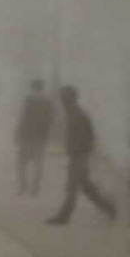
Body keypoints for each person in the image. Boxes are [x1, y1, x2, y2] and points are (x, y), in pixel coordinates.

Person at [46, 85, 116, 225]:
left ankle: (64, 216)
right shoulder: (74, 113)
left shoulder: (78, 115)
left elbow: (85, 137)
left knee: (72, 187)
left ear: (69, 99)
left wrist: (76, 151)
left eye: (63, 98)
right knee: (86, 186)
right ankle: (109, 208)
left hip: (79, 156)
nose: (62, 101)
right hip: (78, 155)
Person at [14, 78, 52, 196]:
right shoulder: (48, 101)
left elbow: (22, 116)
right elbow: (50, 119)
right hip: (41, 136)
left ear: (32, 86)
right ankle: (35, 190)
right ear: (42, 86)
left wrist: (17, 132)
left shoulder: (28, 99)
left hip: (27, 134)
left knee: (21, 163)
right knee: (38, 164)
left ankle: (22, 187)